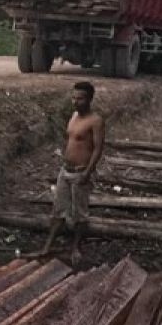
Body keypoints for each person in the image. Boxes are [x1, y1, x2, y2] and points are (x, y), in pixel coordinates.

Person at [41, 81, 106, 263]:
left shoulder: (95, 121)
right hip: (66, 170)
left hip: (80, 172)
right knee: (58, 210)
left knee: (79, 213)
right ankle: (47, 246)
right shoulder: (74, 116)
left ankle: (76, 247)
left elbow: (98, 148)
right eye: (74, 98)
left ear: (90, 99)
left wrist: (88, 171)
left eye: (80, 99)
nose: (75, 102)